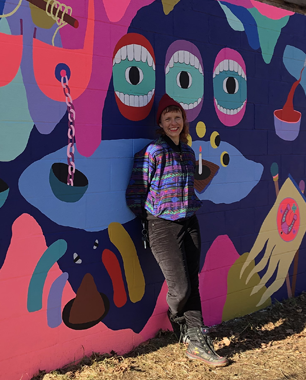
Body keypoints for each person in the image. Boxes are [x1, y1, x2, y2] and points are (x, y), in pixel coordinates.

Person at [126, 94, 228, 367]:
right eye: (168, 118)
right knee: (180, 287)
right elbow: (135, 193)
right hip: (161, 225)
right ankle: (178, 317)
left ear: (184, 122)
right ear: (160, 122)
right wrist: (150, 219)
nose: (174, 122)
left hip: (190, 222)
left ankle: (197, 341)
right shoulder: (153, 152)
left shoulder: (187, 152)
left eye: (178, 117)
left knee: (192, 282)